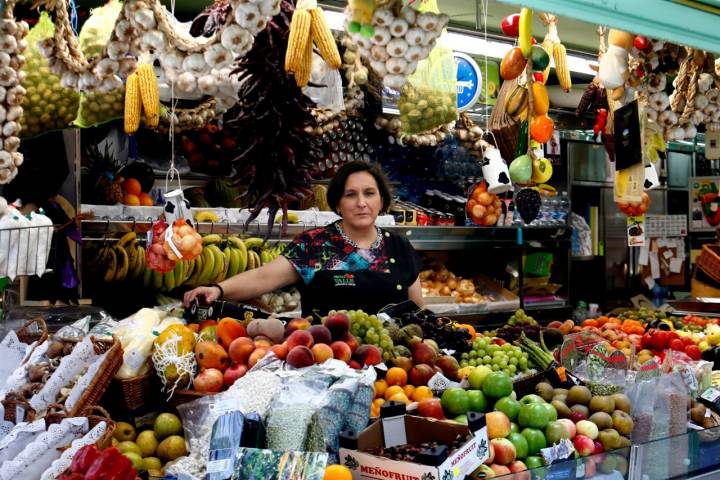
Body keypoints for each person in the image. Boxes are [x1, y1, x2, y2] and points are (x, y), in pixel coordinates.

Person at [183, 161, 424, 317]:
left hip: (394, 372)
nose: (361, 203)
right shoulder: (317, 245)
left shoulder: (399, 246)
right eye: (351, 195)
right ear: (338, 204)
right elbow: (264, 277)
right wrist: (218, 290)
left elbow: (417, 310)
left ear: (381, 201)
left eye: (369, 193)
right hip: (327, 362)